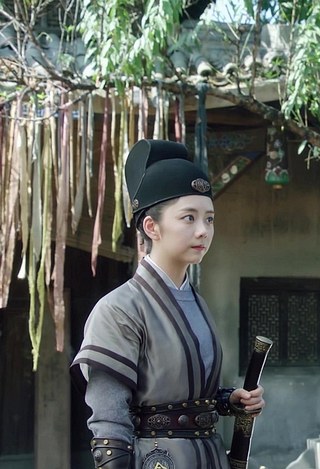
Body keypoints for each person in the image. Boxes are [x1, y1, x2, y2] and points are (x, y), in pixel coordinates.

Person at [71, 140, 265, 469]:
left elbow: (186, 397)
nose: (203, 231)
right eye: (189, 218)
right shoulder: (118, 309)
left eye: (210, 219)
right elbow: (109, 426)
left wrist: (228, 399)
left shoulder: (196, 302)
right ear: (152, 227)